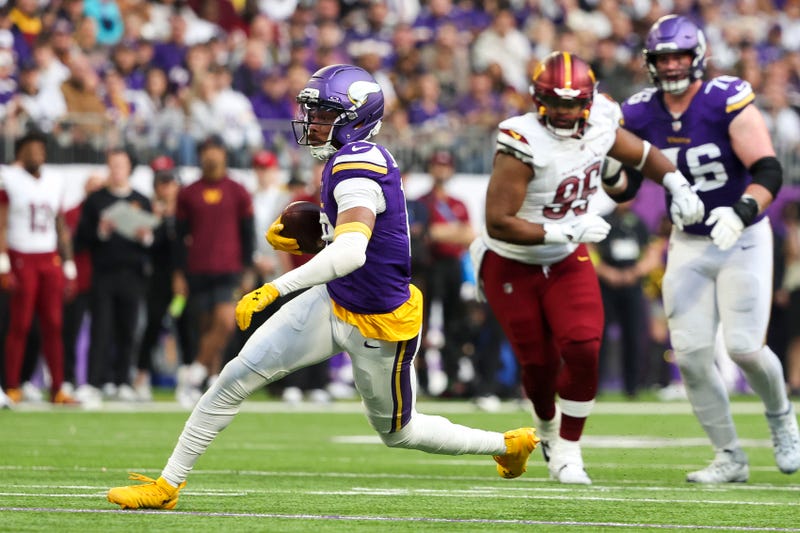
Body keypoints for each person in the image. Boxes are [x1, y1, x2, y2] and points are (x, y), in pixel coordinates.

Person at [107, 64, 538, 510]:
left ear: (356, 118)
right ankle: (168, 485)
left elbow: (352, 252)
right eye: (311, 112)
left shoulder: (356, 166)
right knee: (234, 377)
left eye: (324, 114)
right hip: (336, 298)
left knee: (399, 432)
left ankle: (507, 445)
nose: (312, 122)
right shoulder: (347, 159)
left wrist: (276, 289)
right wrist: (319, 233)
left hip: (380, 321)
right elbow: (353, 239)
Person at [469, 51, 704, 485]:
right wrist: (561, 230)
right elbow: (498, 222)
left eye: (573, 102)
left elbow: (642, 153)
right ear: (539, 100)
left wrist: (677, 183)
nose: (564, 111)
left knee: (583, 347)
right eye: (555, 102)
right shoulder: (521, 140)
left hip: (565, 257)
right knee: (538, 365)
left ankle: (568, 448)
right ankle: (546, 429)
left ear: (589, 101)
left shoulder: (600, 121)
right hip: (512, 261)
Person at [609, 15, 800, 483]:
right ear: (650, 62)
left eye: (678, 56)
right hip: (688, 241)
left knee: (744, 348)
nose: (671, 65)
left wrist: (740, 212)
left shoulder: (724, 98)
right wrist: (608, 167)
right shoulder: (639, 111)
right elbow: (624, 185)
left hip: (742, 236)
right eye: (663, 58)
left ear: (697, 57)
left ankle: (782, 419)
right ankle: (729, 455)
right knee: (692, 355)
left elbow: (769, 170)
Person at [171, 135, 256, 408]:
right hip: (197, 270)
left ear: (224, 154)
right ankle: (211, 382)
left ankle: (193, 374)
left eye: (215, 150)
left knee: (225, 323)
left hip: (229, 269)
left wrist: (247, 270)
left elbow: (248, 233)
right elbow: (179, 238)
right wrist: (178, 273)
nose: (211, 155)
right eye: (206, 150)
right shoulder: (188, 193)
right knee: (206, 328)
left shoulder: (238, 191)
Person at [0, 130, 78, 405]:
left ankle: (57, 387)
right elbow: (1, 222)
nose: (36, 154)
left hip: (49, 258)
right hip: (21, 256)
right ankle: (12, 385)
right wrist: (3, 263)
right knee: (19, 324)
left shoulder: (54, 180)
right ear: (20, 153)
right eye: (31, 149)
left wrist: (69, 265)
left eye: (40, 149)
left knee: (54, 325)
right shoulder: (9, 178)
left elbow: (60, 224)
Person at [74, 148, 154, 402]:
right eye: (113, 165)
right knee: (101, 328)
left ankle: (122, 381)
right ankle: (94, 382)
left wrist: (146, 237)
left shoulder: (142, 200)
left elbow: (154, 241)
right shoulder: (96, 200)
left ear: (129, 168)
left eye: (121, 165)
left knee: (128, 330)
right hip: (104, 273)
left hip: (132, 273)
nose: (117, 170)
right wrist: (101, 231)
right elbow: (81, 239)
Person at [417, 149, 475, 397]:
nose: (441, 170)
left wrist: (439, 232)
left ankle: (452, 378)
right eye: (437, 165)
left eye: (445, 166)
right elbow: (423, 234)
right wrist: (453, 232)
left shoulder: (458, 204)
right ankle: (421, 380)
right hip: (429, 267)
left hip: (452, 266)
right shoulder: (422, 202)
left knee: (454, 322)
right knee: (421, 321)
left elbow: (469, 235)